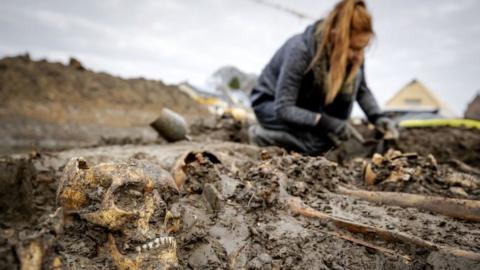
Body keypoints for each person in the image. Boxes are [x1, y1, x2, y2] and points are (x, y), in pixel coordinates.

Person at [249, 0, 398, 154]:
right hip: (270, 105)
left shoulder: (354, 57)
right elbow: (284, 108)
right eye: (354, 49)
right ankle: (261, 136)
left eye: (363, 49)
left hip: (303, 105)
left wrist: (378, 118)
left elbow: (362, 90)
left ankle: (305, 137)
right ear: (335, 37)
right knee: (316, 145)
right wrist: (327, 122)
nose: (359, 57)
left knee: (328, 142)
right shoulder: (301, 51)